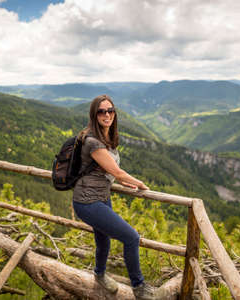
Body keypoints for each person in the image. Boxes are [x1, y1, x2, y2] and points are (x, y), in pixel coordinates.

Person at [72, 94, 156, 299]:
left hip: (101, 196)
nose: (107, 114)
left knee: (103, 240)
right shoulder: (92, 141)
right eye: (102, 111)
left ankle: (99, 274)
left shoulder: (106, 138)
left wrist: (121, 181)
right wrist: (141, 185)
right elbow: (117, 172)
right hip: (88, 202)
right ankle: (139, 287)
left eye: (110, 110)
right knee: (131, 237)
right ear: (94, 115)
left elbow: (108, 171)